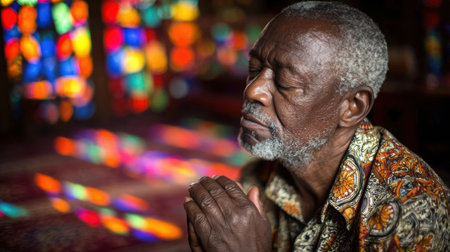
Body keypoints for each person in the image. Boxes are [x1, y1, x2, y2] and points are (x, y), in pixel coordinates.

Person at [184, 1, 450, 251]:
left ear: (352, 107)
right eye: (254, 69)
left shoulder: (409, 211)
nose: (253, 91)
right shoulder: (259, 179)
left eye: (286, 82)